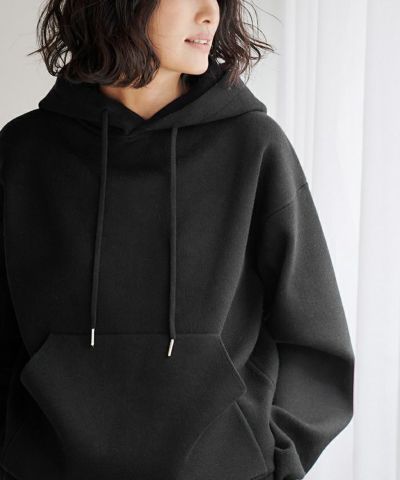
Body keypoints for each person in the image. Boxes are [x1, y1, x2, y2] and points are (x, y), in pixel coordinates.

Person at [0, 1, 355, 479]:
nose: (211, 13)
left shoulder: (254, 147)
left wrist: (277, 461)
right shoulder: (24, 153)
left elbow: (316, 338)